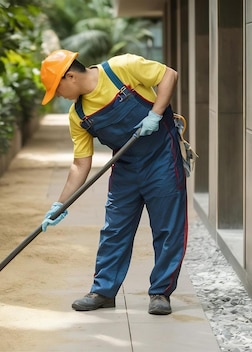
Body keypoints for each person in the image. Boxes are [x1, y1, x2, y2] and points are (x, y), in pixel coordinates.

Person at [39, 49, 187, 315]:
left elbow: (169, 75)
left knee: (167, 228)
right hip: (126, 168)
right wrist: (59, 204)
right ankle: (103, 291)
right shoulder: (79, 115)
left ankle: (160, 293)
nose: (58, 96)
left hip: (162, 158)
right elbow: (80, 163)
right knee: (114, 230)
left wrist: (155, 113)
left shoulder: (121, 68)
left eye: (56, 89)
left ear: (69, 76)